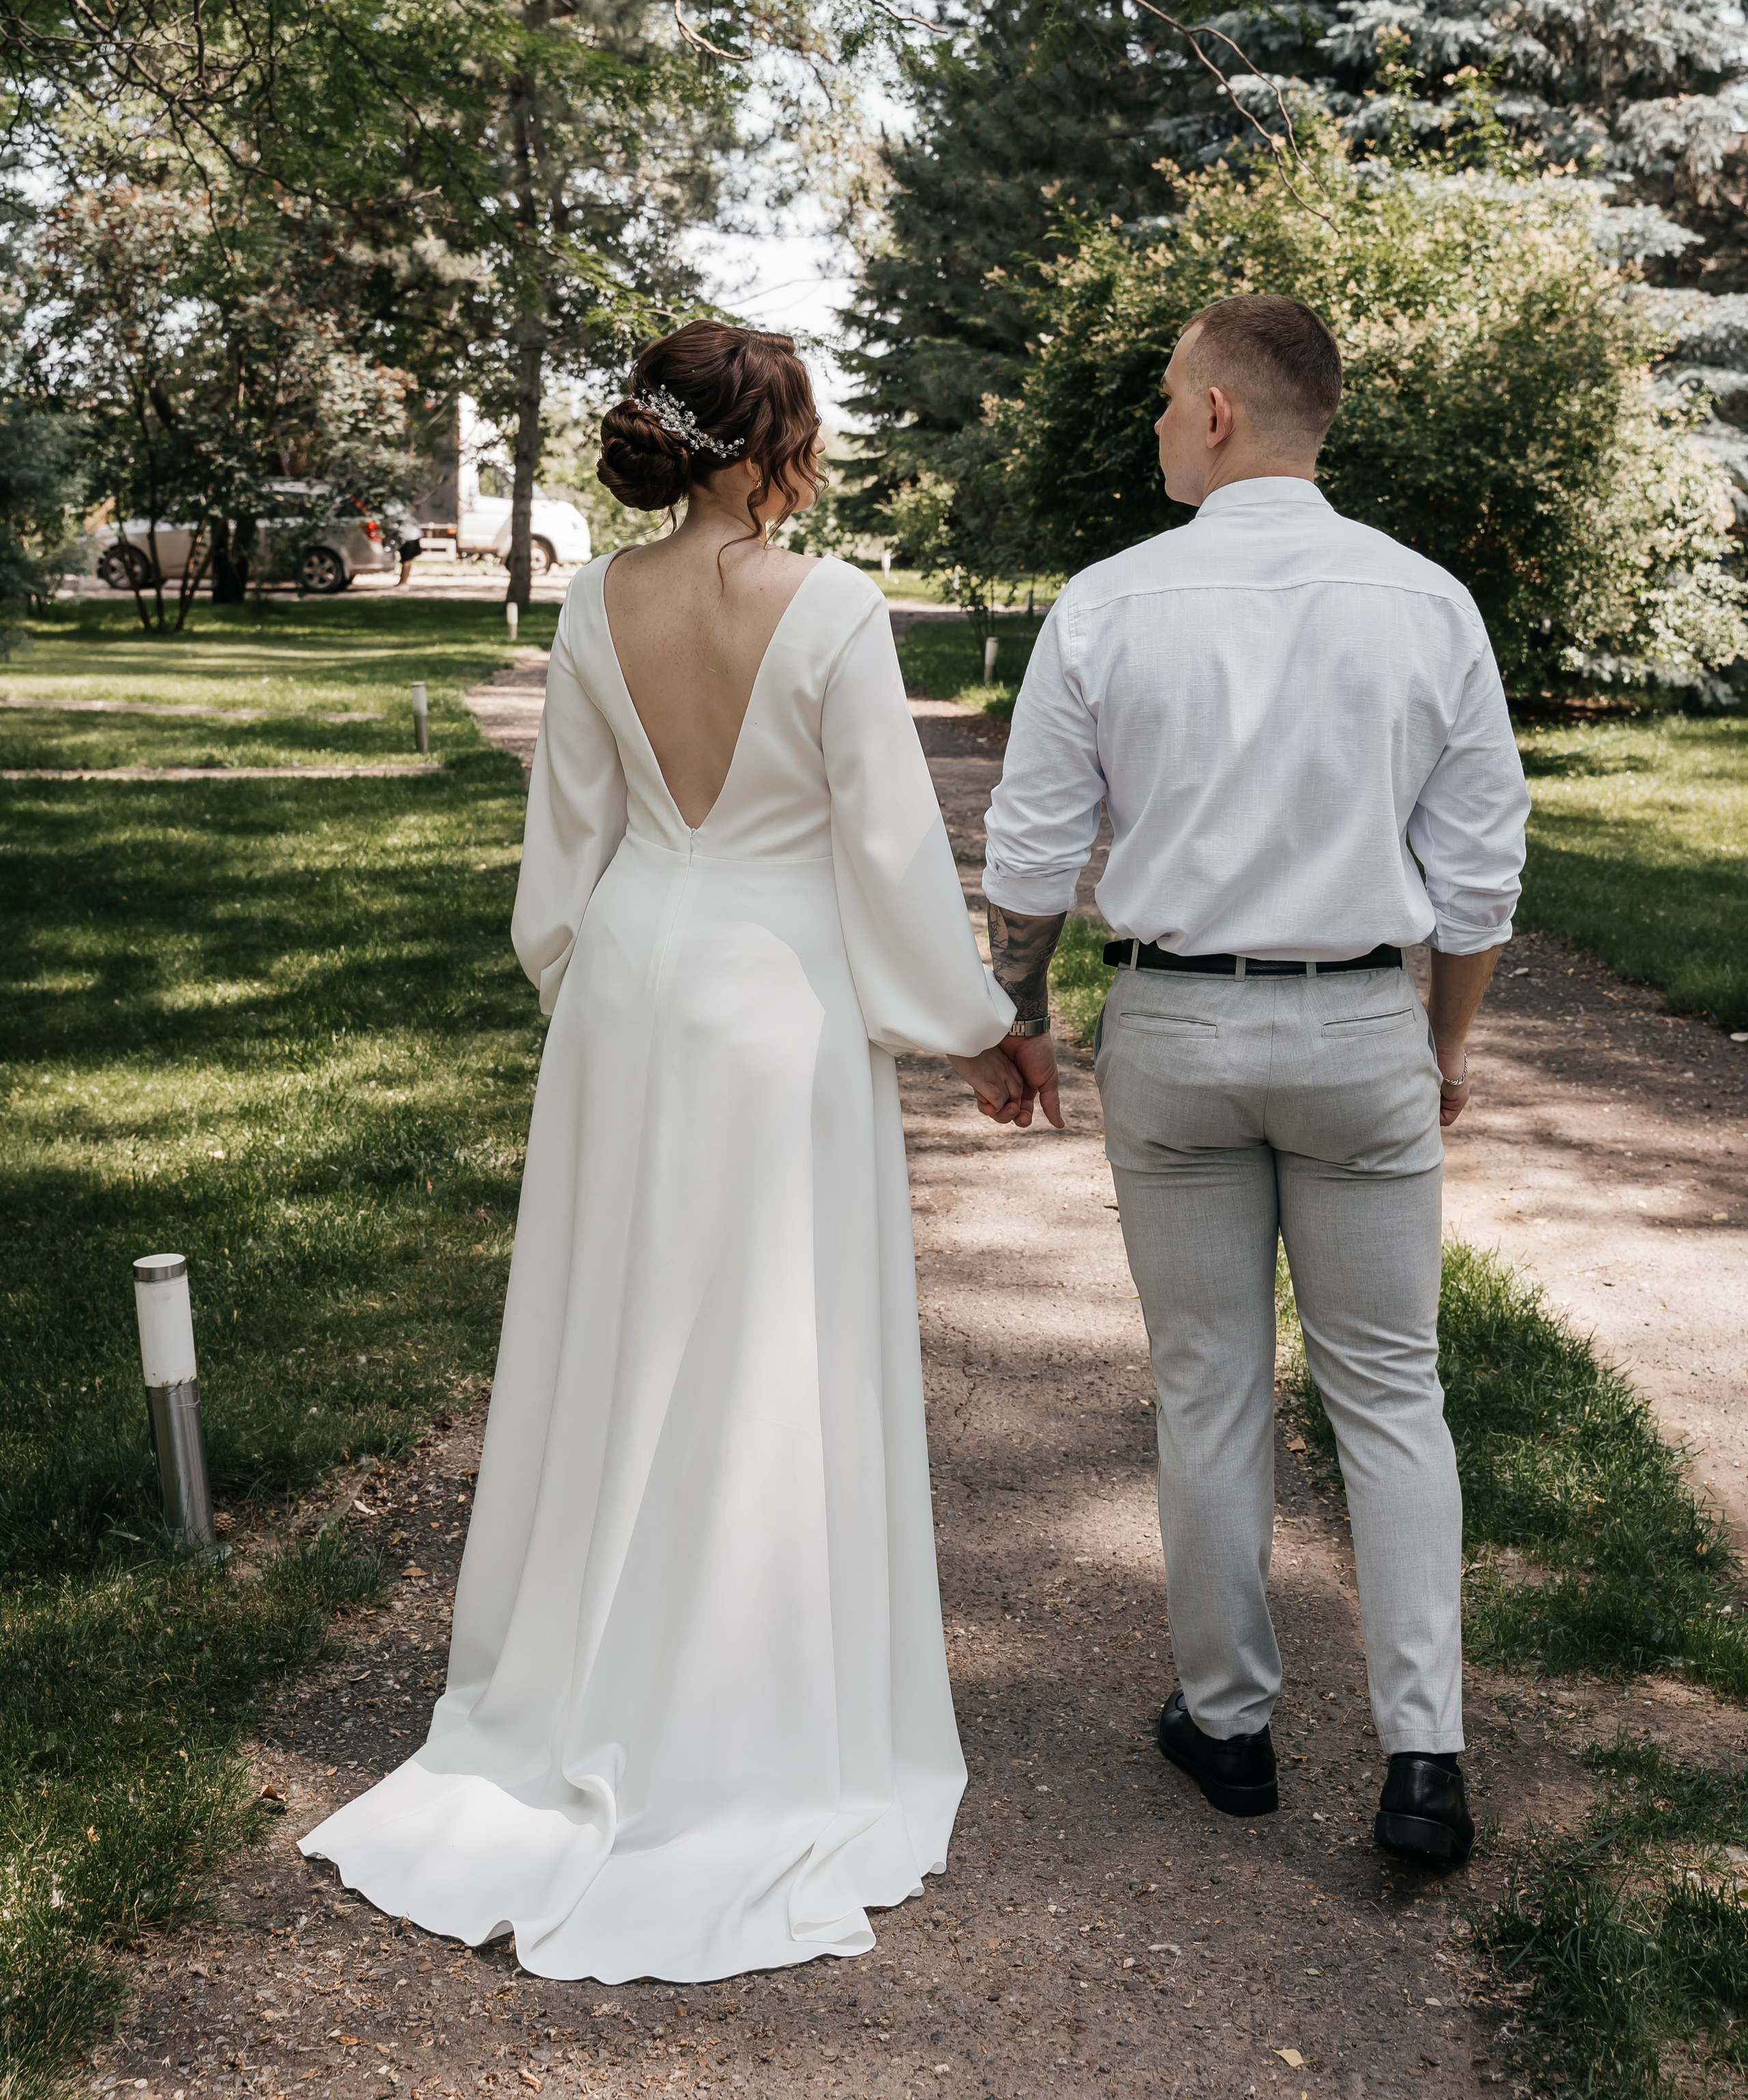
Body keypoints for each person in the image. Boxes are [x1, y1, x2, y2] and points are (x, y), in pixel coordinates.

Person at [302, 321, 1029, 1978]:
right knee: (763, 1342)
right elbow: (891, 861)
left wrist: (594, 977)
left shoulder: (590, 601)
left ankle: (574, 1683)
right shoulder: (830, 606)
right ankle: (748, 1701)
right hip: (773, 1001)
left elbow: (567, 847)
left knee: (616, 1330)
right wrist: (979, 1020)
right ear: (774, 445)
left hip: (633, 981)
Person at [981, 294, 1529, 1867]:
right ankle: (1423, 1761)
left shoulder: (1106, 605)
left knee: (1206, 1382)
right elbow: (1477, 876)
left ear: (1218, 412)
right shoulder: (1427, 603)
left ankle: (1228, 1729)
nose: (1158, 421)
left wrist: (1013, 1013)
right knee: (1388, 1394)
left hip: (1175, 1031)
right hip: (1361, 1027)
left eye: (1166, 397)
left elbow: (1031, 854)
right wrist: (1441, 1046)